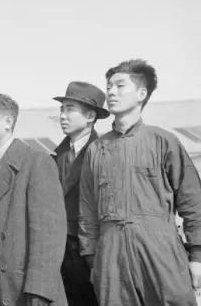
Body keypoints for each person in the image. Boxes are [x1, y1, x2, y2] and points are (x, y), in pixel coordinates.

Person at [79, 59, 201, 306]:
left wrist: (197, 257)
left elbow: (193, 202)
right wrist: (95, 259)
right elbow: (87, 212)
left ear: (141, 93)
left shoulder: (164, 141)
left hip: (161, 251)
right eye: (109, 86)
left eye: (120, 85)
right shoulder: (96, 150)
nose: (111, 92)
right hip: (111, 255)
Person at [0, 93, 68, 306]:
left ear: (8, 122)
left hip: (22, 290)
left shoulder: (35, 162)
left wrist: (40, 293)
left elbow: (48, 236)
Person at [52, 81, 109, 306]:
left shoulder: (104, 152)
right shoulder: (56, 156)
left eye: (69, 110)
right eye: (61, 110)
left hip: (92, 250)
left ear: (90, 116)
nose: (63, 116)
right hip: (62, 251)